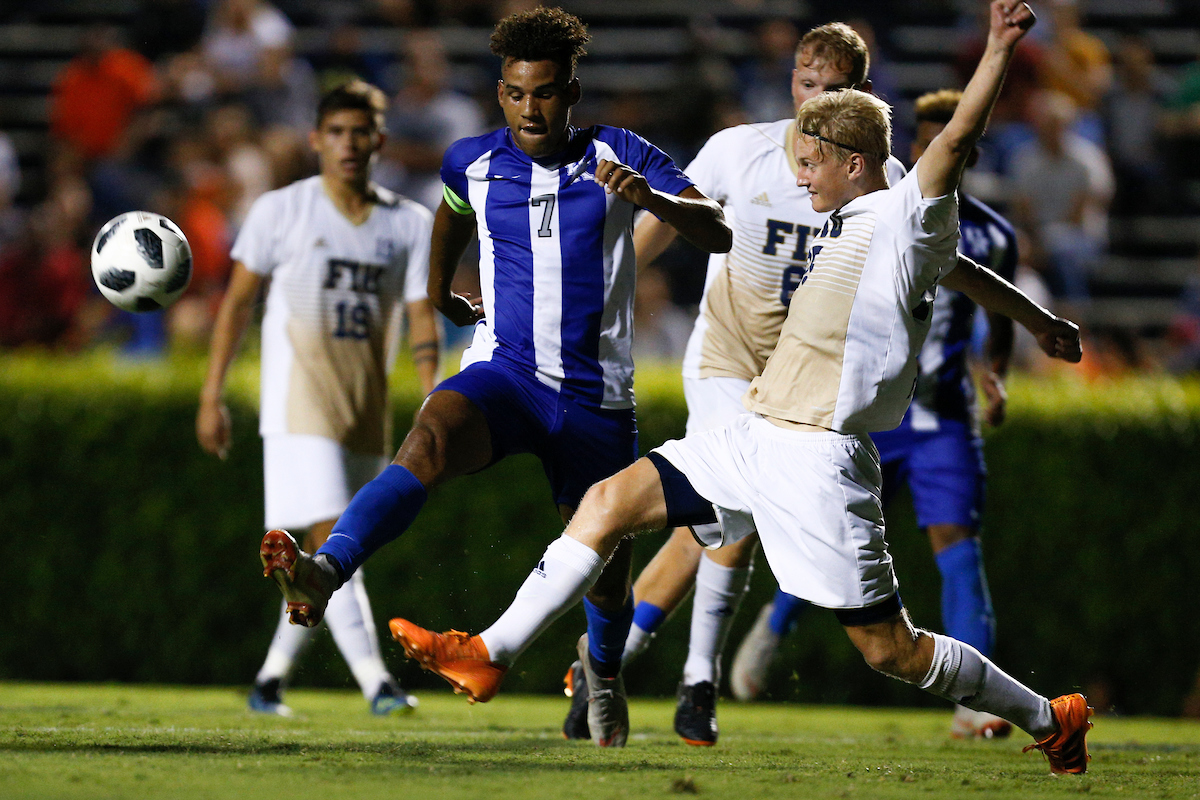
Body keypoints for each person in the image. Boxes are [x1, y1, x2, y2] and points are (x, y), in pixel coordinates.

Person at [389, 1, 1097, 776]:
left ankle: (1047, 716)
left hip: (818, 461)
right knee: (608, 504)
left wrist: (996, 47)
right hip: (753, 430)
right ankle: (490, 653)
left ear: (856, 162)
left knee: (889, 650)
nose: (798, 175)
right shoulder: (840, 213)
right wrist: (1036, 318)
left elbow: (956, 142)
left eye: (812, 161)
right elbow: (956, 270)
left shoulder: (906, 217)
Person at [257, 7, 731, 747]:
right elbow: (451, 211)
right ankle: (325, 570)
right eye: (515, 93)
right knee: (429, 439)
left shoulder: (620, 152)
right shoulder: (471, 161)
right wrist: (440, 287)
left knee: (606, 574)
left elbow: (720, 232)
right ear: (499, 91)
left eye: (544, 93)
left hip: (593, 399)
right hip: (505, 371)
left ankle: (603, 670)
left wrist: (649, 199)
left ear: (571, 92)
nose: (529, 108)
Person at [561, 21, 908, 748]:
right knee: (732, 511)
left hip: (804, 385)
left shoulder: (880, 179)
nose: (818, 98)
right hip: (726, 357)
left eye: (836, 88)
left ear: (862, 94)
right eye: (809, 84)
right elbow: (672, 214)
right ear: (792, 82)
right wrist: (612, 287)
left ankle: (612, 666)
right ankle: (695, 682)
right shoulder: (738, 150)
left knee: (726, 523)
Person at [729, 88, 1020, 742]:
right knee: (828, 544)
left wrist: (994, 372)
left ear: (970, 150)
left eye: (951, 140)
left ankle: (976, 705)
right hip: (867, 412)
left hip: (944, 416)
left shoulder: (990, 233)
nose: (934, 150)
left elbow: (995, 307)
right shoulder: (883, 212)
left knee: (958, 551)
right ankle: (773, 627)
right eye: (925, 138)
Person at [198, 80, 439, 716]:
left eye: (361, 132)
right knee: (333, 543)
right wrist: (211, 395)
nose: (349, 144)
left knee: (324, 559)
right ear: (315, 140)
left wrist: (433, 397)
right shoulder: (281, 211)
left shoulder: (408, 223)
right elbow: (236, 304)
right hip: (296, 404)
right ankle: (378, 687)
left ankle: (269, 681)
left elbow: (420, 316)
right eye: (336, 132)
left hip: (365, 411)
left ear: (380, 140)